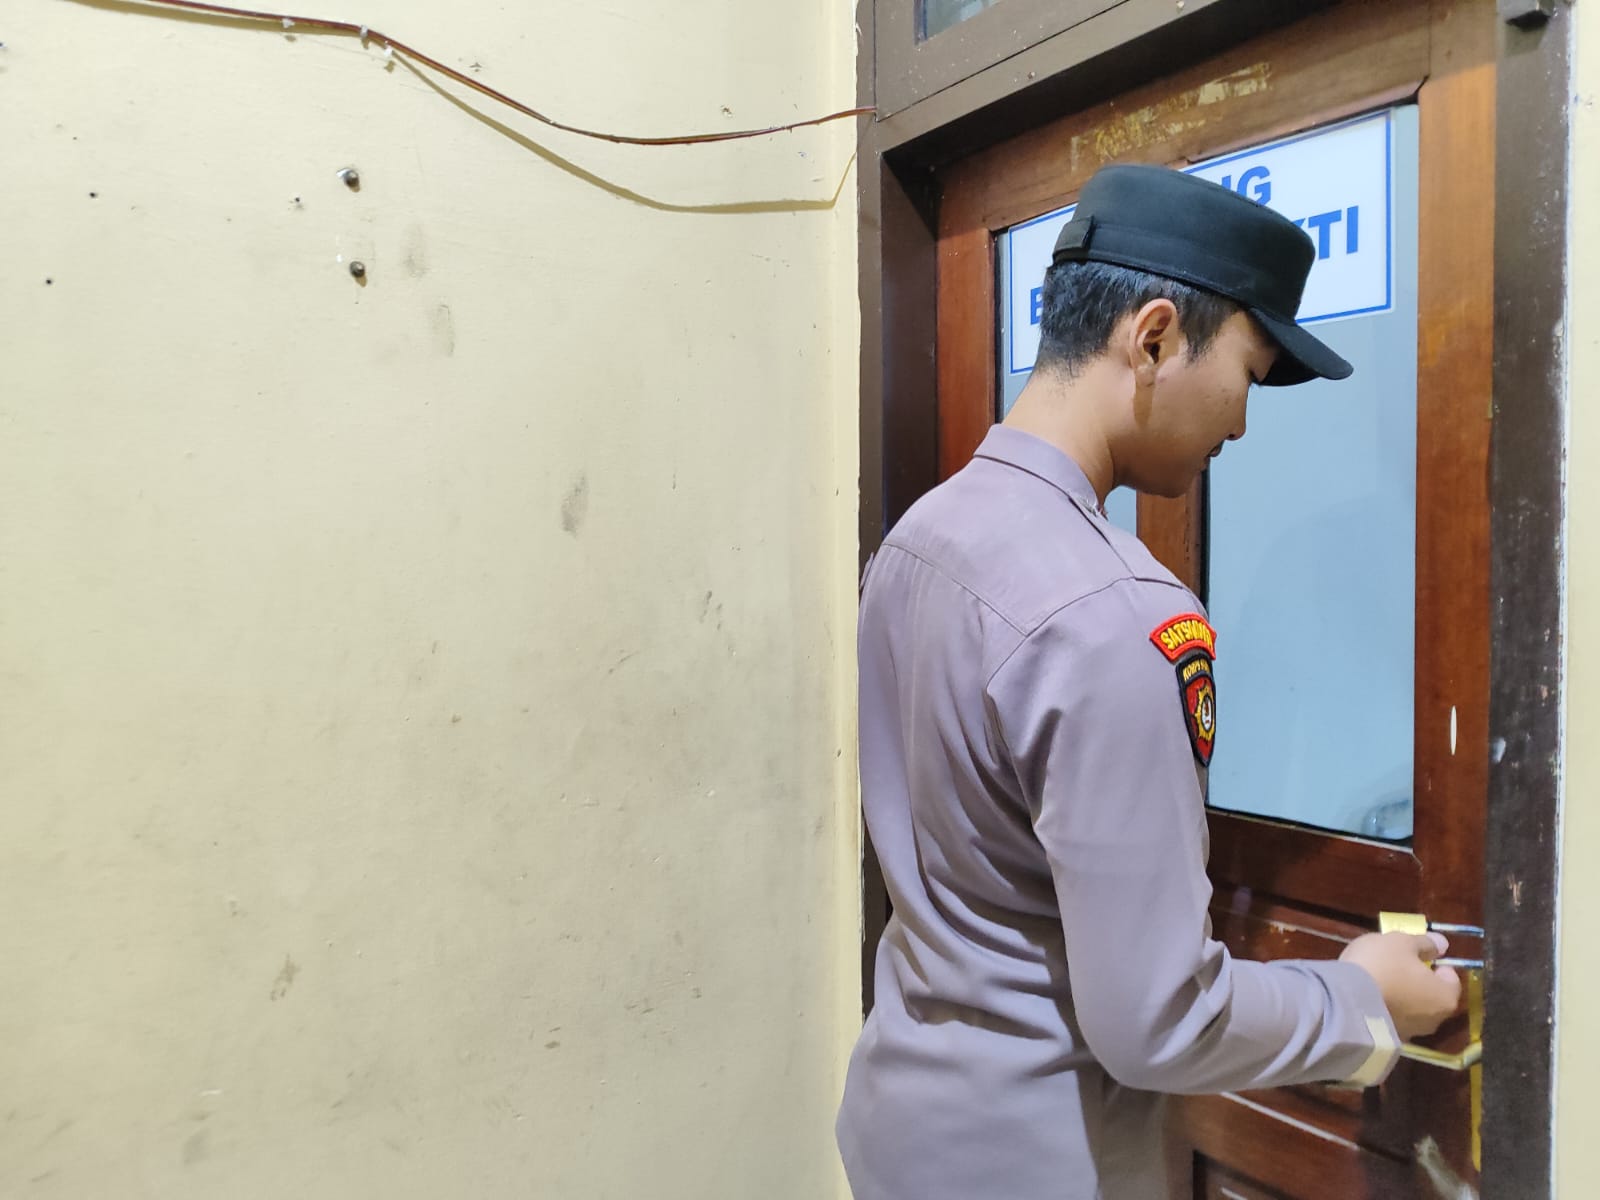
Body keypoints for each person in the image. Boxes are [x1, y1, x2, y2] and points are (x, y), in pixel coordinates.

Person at [835, 163, 1462, 1200]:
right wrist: (1362, 1000)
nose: (1241, 425)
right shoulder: (1114, 612)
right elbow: (1158, 1020)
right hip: (1038, 1163)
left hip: (904, 1125)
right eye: (1249, 375)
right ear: (1156, 338)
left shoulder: (920, 538)